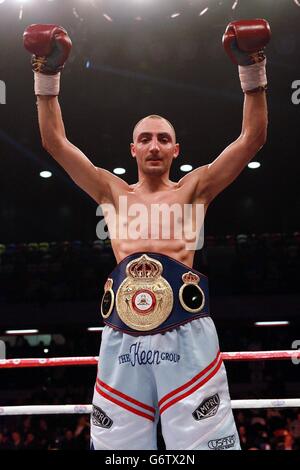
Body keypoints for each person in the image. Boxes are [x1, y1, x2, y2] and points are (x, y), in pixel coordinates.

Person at [23, 19, 270, 450]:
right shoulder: (110, 191)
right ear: (132, 148)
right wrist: (46, 73)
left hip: (186, 330)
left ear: (177, 150)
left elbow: (251, 138)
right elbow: (54, 142)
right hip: (123, 333)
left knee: (200, 446)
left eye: (163, 139)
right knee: (119, 449)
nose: (154, 146)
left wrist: (253, 70)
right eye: (145, 139)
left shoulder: (195, 189)